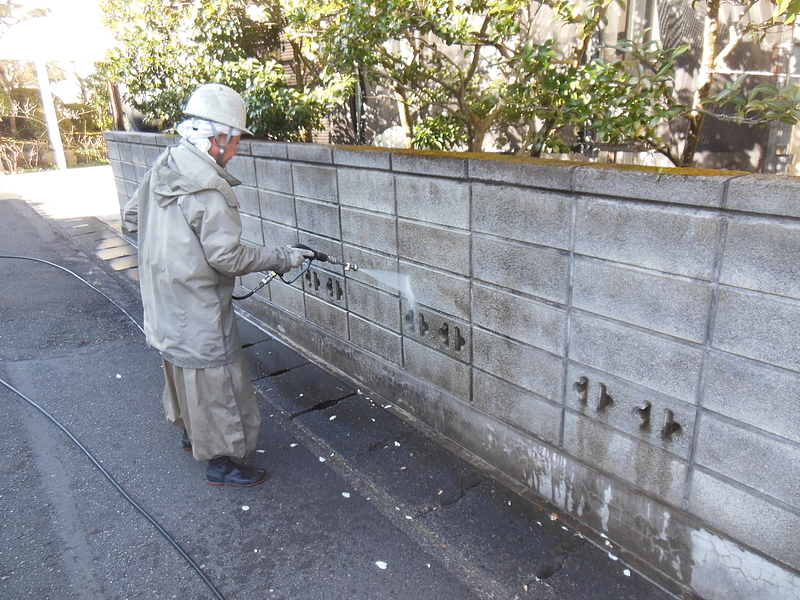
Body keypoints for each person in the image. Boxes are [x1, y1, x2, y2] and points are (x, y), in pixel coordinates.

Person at [122, 83, 312, 487]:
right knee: (217, 378)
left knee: (179, 365)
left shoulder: (167, 164)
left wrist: (166, 254)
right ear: (217, 137)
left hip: (162, 294)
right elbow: (227, 257)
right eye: (237, 139)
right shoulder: (209, 189)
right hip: (197, 301)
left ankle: (193, 435)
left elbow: (130, 218)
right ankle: (221, 461)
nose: (237, 149)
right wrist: (282, 256)